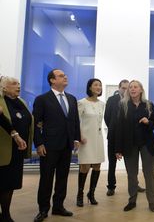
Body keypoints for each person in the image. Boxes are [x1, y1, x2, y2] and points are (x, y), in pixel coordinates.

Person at [33, 69, 81, 222]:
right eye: (61, 76)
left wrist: (76, 138)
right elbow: (35, 124)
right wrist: (39, 143)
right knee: (46, 178)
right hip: (49, 145)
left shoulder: (72, 99)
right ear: (52, 80)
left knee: (62, 177)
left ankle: (58, 206)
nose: (65, 77)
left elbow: (75, 121)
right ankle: (43, 209)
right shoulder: (42, 99)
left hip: (67, 145)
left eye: (65, 75)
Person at [115, 80, 154, 212]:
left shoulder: (148, 105)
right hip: (129, 145)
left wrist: (148, 122)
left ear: (141, 90)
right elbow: (119, 128)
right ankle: (132, 200)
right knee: (132, 175)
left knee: (149, 174)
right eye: (130, 87)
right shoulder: (123, 105)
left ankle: (151, 202)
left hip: (147, 144)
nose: (132, 89)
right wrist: (118, 149)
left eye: (135, 87)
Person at [104, 80, 147, 196]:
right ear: (119, 88)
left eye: (127, 88)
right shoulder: (111, 100)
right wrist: (116, 130)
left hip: (129, 138)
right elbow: (107, 117)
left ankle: (135, 184)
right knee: (112, 163)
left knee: (131, 164)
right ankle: (111, 186)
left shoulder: (131, 102)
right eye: (123, 88)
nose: (126, 90)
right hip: (114, 137)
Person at [0, 76, 32, 222]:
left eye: (19, 83)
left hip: (17, 151)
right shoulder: (1, 101)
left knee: (11, 183)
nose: (18, 86)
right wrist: (15, 135)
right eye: (14, 84)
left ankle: (5, 213)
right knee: (2, 182)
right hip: (3, 149)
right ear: (4, 88)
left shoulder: (22, 102)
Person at [76, 78, 105, 207]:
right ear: (89, 87)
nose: (98, 87)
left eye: (100, 85)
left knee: (97, 166)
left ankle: (91, 193)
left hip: (98, 138)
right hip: (85, 139)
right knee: (85, 167)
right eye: (96, 85)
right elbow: (75, 121)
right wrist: (79, 136)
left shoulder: (102, 104)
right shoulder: (82, 102)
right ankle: (80, 194)